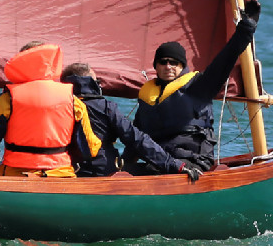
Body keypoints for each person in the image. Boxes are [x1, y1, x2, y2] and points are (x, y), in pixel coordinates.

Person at [125, 0, 261, 173]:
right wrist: (120, 166)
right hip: (161, 163)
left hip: (193, 162)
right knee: (112, 172)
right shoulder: (148, 97)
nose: (168, 66)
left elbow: (226, 59)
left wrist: (247, 27)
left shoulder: (199, 86)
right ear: (156, 67)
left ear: (182, 67)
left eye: (174, 63)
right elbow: (138, 137)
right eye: (163, 62)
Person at [0, 42, 101, 177]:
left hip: (16, 176)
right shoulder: (74, 101)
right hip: (60, 176)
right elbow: (90, 149)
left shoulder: (8, 99)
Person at [60, 63, 202, 182]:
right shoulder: (105, 107)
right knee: (152, 170)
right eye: (97, 81)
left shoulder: (58, 106)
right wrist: (175, 165)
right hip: (102, 173)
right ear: (90, 83)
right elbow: (136, 139)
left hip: (68, 171)